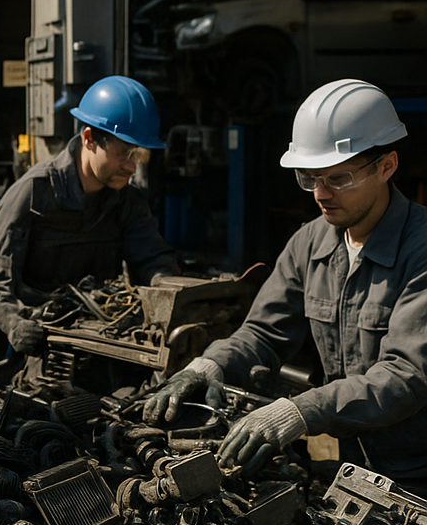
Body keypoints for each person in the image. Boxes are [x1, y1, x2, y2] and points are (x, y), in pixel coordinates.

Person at [143, 78, 427, 489]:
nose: (320, 194)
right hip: (355, 469)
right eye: (310, 178)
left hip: (416, 471)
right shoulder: (310, 243)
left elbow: (406, 376)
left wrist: (298, 413)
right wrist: (210, 364)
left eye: (338, 178)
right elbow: (263, 333)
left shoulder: (419, 249)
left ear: (386, 166)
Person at [0, 75, 177, 357]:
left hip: (79, 330)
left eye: (137, 154)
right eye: (124, 152)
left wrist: (169, 286)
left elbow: (150, 258)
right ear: (89, 139)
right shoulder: (32, 193)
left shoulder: (127, 199)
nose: (131, 166)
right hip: (7, 339)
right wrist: (15, 324)